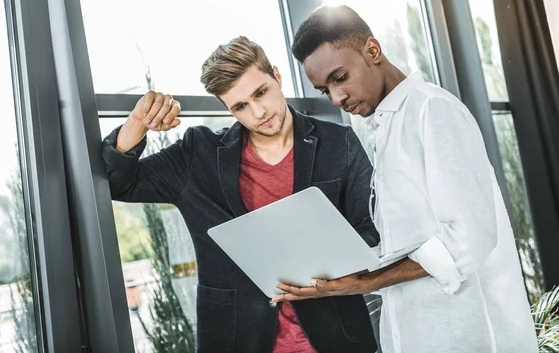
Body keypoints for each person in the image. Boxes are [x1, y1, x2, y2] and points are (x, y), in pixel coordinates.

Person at [273, 5, 538, 353]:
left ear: (372, 51)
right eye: (325, 90)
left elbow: (469, 240)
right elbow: (407, 240)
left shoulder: (433, 111)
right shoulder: (379, 128)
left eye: (340, 78)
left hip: (467, 336)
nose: (337, 98)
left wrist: (363, 282)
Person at [101, 36, 379, 352]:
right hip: (237, 339)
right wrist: (138, 123)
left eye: (261, 92)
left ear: (276, 75)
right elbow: (116, 183)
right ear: (226, 108)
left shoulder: (338, 143)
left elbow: (369, 232)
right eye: (241, 106)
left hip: (333, 335)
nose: (259, 112)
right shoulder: (198, 155)